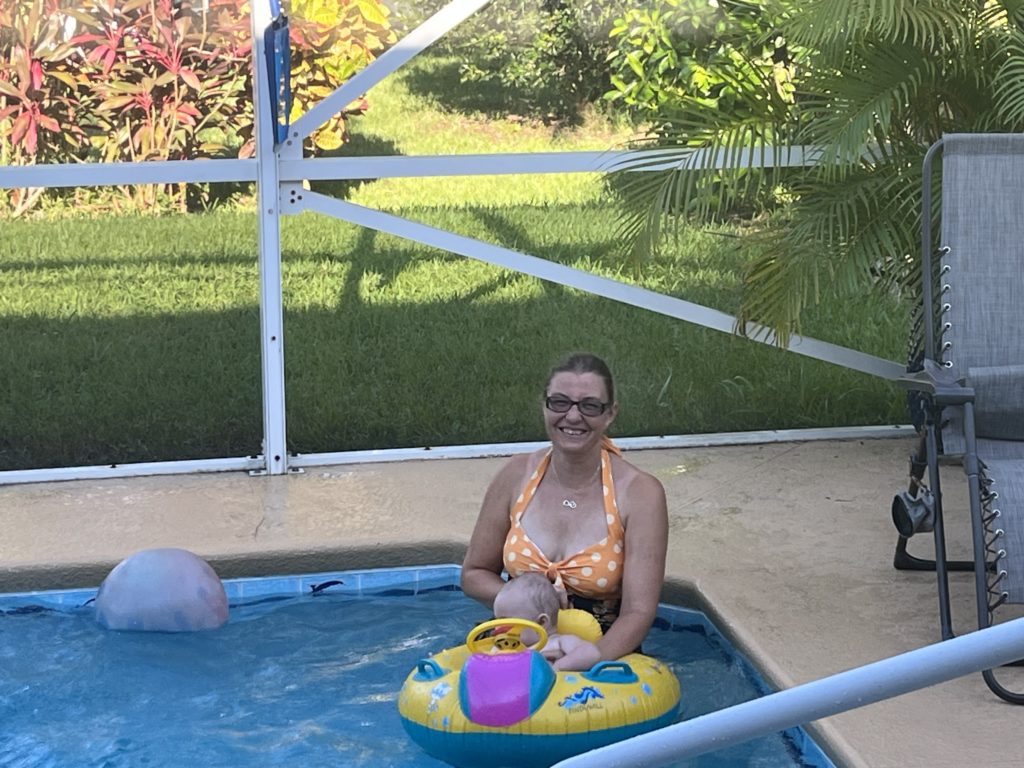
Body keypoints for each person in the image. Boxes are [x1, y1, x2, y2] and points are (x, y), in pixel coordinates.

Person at [462, 352, 669, 670]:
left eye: (589, 406)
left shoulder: (640, 493)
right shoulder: (515, 475)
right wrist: (529, 603)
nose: (572, 416)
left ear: (610, 413)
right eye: (559, 403)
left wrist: (588, 659)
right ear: (544, 405)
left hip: (603, 657)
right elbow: (473, 573)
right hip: (517, 645)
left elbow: (638, 612)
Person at [491, 573, 602, 672]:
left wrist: (558, 667)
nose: (498, 629)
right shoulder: (504, 647)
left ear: (541, 622)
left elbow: (592, 653)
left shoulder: (557, 643)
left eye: (507, 622)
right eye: (497, 622)